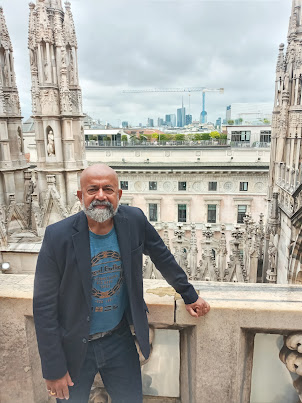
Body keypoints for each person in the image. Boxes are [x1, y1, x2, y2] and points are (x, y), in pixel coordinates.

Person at [33, 164, 210, 403]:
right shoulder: (58, 236)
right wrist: (53, 369)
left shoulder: (134, 220)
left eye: (108, 189)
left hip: (119, 339)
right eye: (92, 190)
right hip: (74, 346)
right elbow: (44, 306)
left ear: (119, 195)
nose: (101, 196)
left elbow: (162, 257)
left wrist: (189, 294)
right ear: (80, 196)